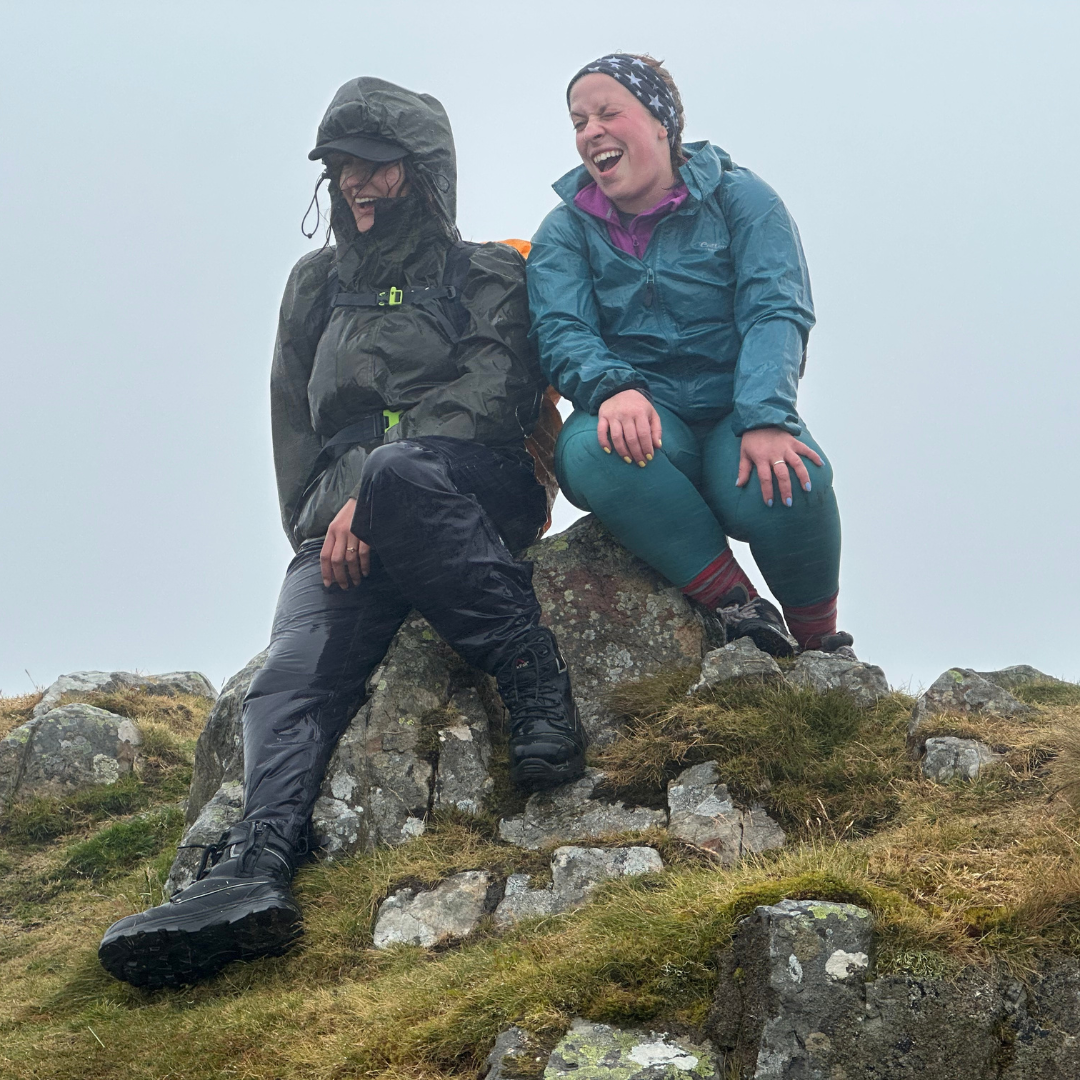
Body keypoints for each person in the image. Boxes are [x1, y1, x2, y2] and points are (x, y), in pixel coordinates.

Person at [98, 77, 586, 989]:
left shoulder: (489, 270)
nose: (356, 183)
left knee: (401, 471)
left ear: (424, 171)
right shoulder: (314, 287)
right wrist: (325, 517)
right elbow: (296, 424)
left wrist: (374, 492)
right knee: (289, 673)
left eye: (377, 166)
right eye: (342, 167)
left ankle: (534, 681)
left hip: (469, 486)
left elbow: (493, 395)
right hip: (347, 519)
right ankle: (254, 872)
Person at [527, 54, 851, 658]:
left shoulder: (743, 199)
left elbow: (776, 309)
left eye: (607, 113)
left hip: (736, 411)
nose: (590, 131)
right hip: (643, 413)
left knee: (796, 478)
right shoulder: (564, 231)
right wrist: (610, 387)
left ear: (661, 122)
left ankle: (824, 647)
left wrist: (765, 416)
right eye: (578, 122)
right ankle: (740, 609)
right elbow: (561, 327)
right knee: (596, 452)